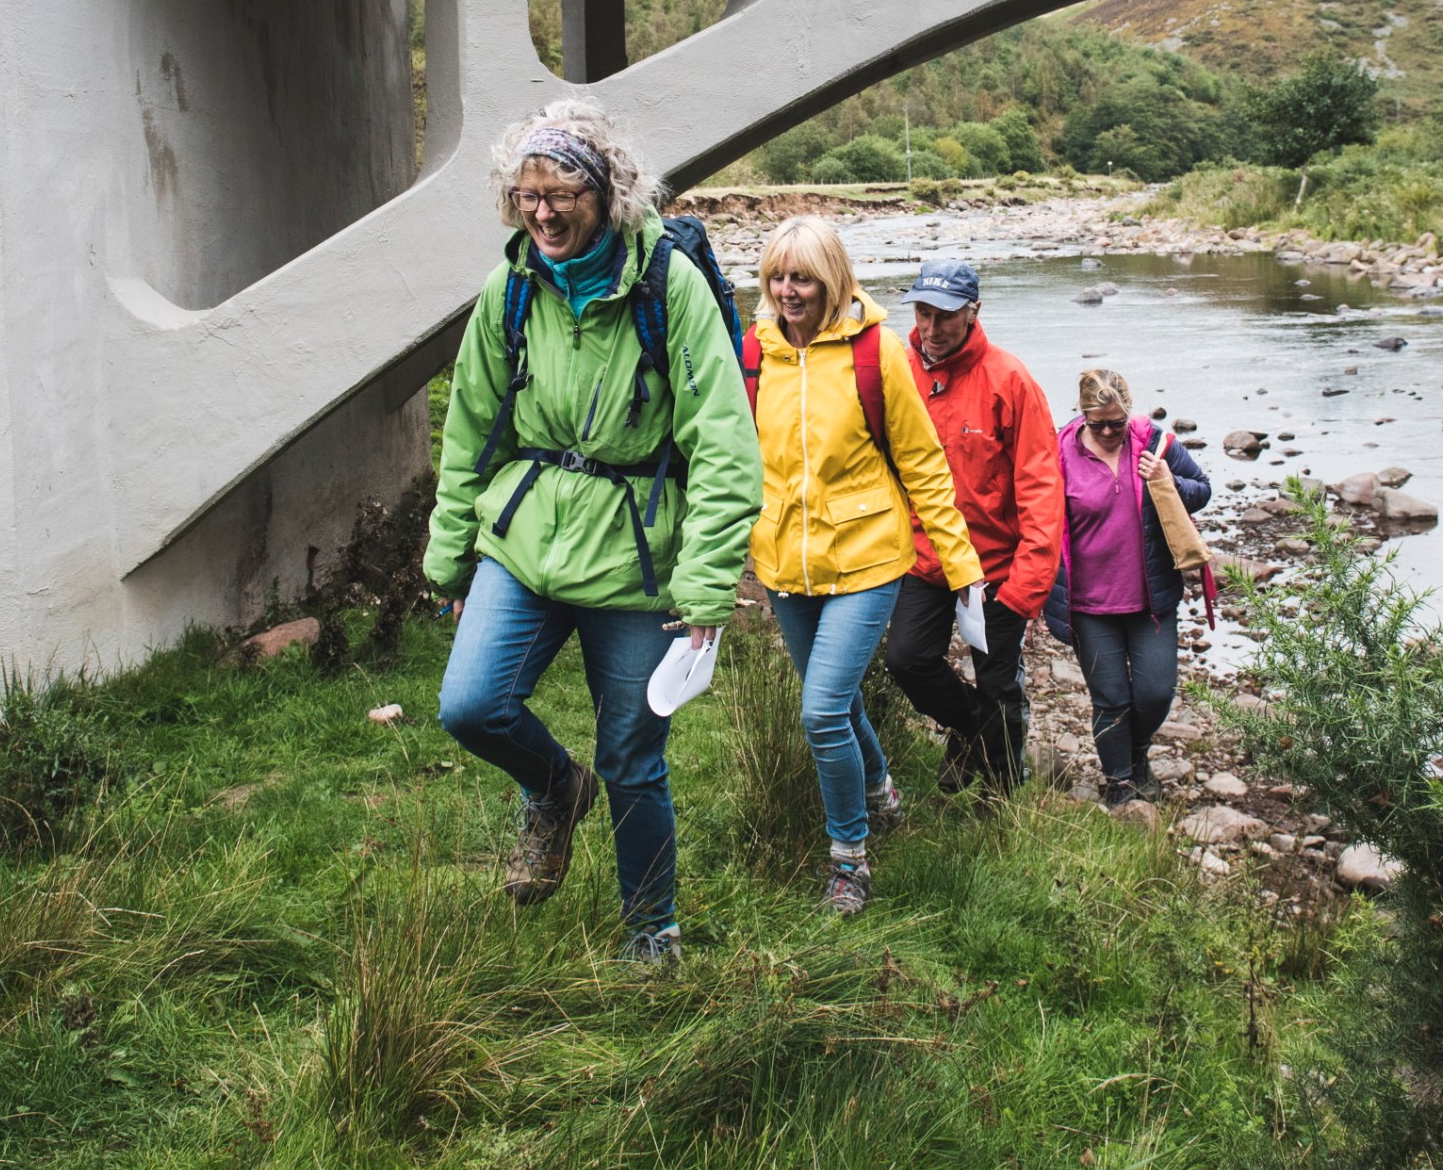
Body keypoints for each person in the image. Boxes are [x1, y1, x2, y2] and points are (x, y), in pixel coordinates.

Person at [426, 98, 762, 965]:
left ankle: (652, 930)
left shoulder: (666, 288)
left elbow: (724, 444)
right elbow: (470, 430)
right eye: (525, 195)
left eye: (560, 192)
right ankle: (552, 788)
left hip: (635, 558)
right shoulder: (509, 290)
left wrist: (705, 586)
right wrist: (452, 556)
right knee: (469, 705)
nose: (541, 212)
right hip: (525, 536)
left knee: (633, 757)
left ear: (608, 194)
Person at [744, 217, 982, 917]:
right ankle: (880, 791)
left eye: (804, 278)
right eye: (778, 277)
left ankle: (849, 861)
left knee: (819, 712)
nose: (789, 292)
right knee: (838, 700)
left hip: (868, 558)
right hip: (785, 564)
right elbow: (735, 459)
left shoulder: (878, 351)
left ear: (833, 279)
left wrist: (962, 569)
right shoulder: (754, 351)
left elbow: (923, 466)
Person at [880, 257, 1064, 797]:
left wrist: (1027, 586)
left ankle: (1002, 799)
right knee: (907, 661)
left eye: (944, 317)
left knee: (1001, 685)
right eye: (921, 314)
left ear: (973, 311)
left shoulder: (1011, 380)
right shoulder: (899, 369)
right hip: (924, 558)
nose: (931, 330)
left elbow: (1041, 487)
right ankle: (969, 731)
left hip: (996, 570)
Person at [1051, 368, 1212, 809]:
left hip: (1149, 600)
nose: (1106, 431)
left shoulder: (1154, 442)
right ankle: (1119, 780)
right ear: (1081, 415)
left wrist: (1166, 479)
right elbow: (1033, 514)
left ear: (1129, 413)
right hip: (1087, 604)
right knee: (1111, 697)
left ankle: (1135, 752)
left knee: (1156, 691)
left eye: (1115, 424)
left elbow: (1202, 491)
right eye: (1096, 423)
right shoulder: (1058, 453)